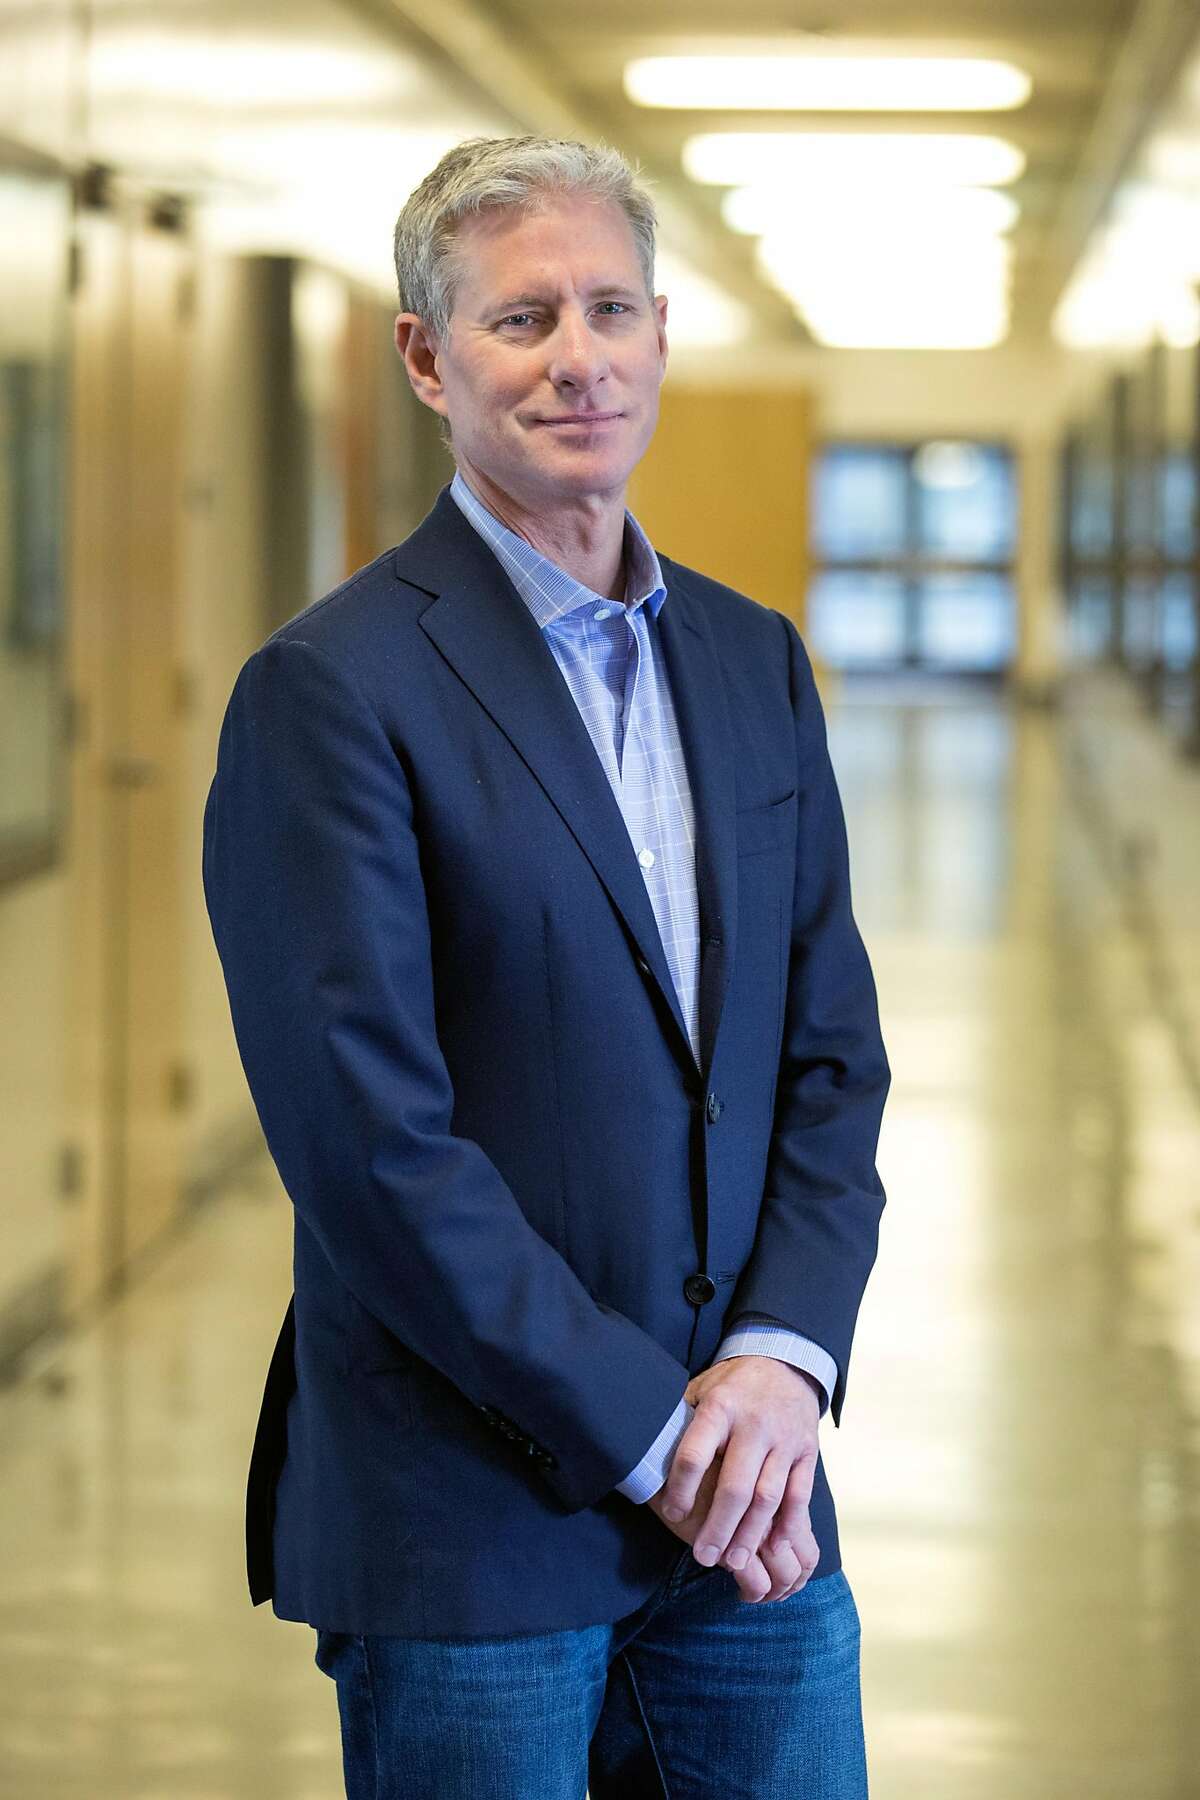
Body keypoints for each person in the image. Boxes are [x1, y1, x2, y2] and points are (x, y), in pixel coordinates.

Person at [202, 132, 891, 1799]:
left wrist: (783, 1363)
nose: (578, 359)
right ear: (428, 360)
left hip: (753, 1514)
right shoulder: (334, 693)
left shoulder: (749, 660)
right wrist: (657, 1437)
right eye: (521, 322)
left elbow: (827, 1054)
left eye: (610, 310)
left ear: (660, 336)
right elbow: (374, 1150)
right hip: (474, 1527)